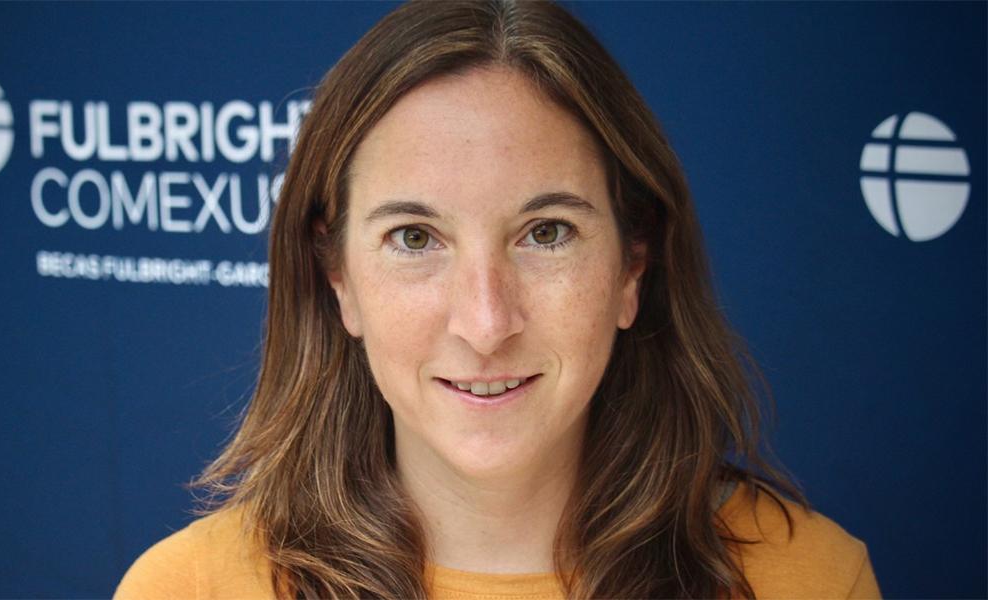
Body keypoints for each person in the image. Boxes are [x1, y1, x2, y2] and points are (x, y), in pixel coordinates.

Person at [115, 1, 881, 598]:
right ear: (337, 279)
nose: (485, 323)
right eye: (415, 239)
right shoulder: (188, 588)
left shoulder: (809, 580)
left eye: (546, 233)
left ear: (632, 266)